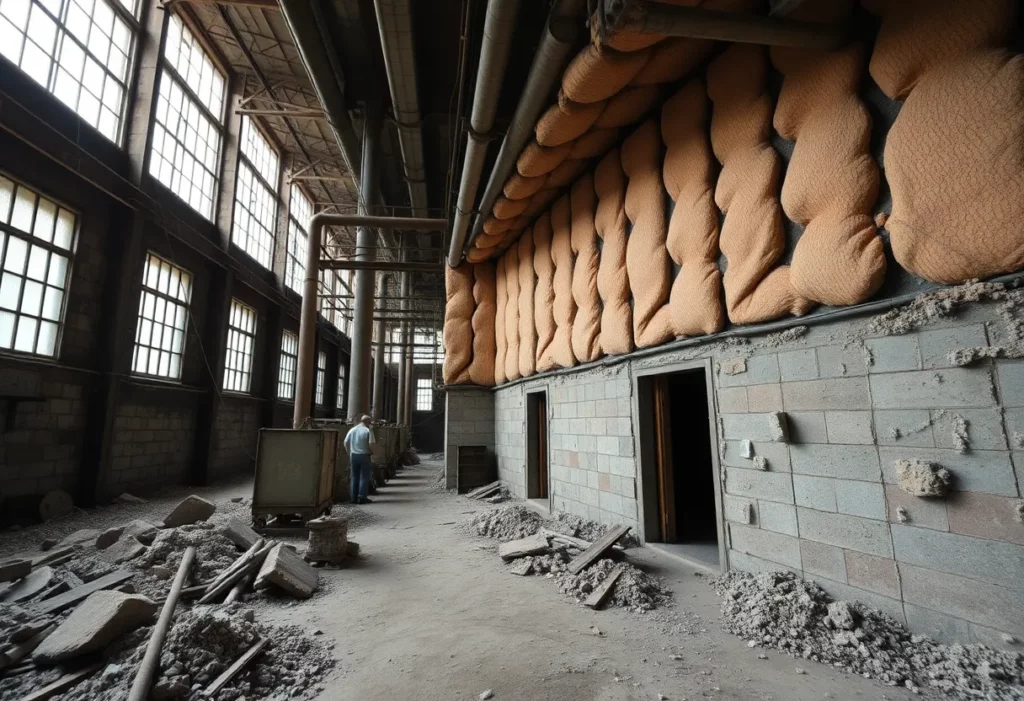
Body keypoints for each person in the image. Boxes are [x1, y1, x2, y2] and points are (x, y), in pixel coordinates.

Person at [344, 415, 376, 504]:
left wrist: (349, 453)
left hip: (354, 455)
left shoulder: (352, 429)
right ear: (367, 422)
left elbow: (345, 442)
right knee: (364, 477)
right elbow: (371, 444)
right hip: (364, 455)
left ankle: (353, 498)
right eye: (370, 422)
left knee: (354, 477)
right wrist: (372, 452)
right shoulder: (368, 430)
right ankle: (362, 497)